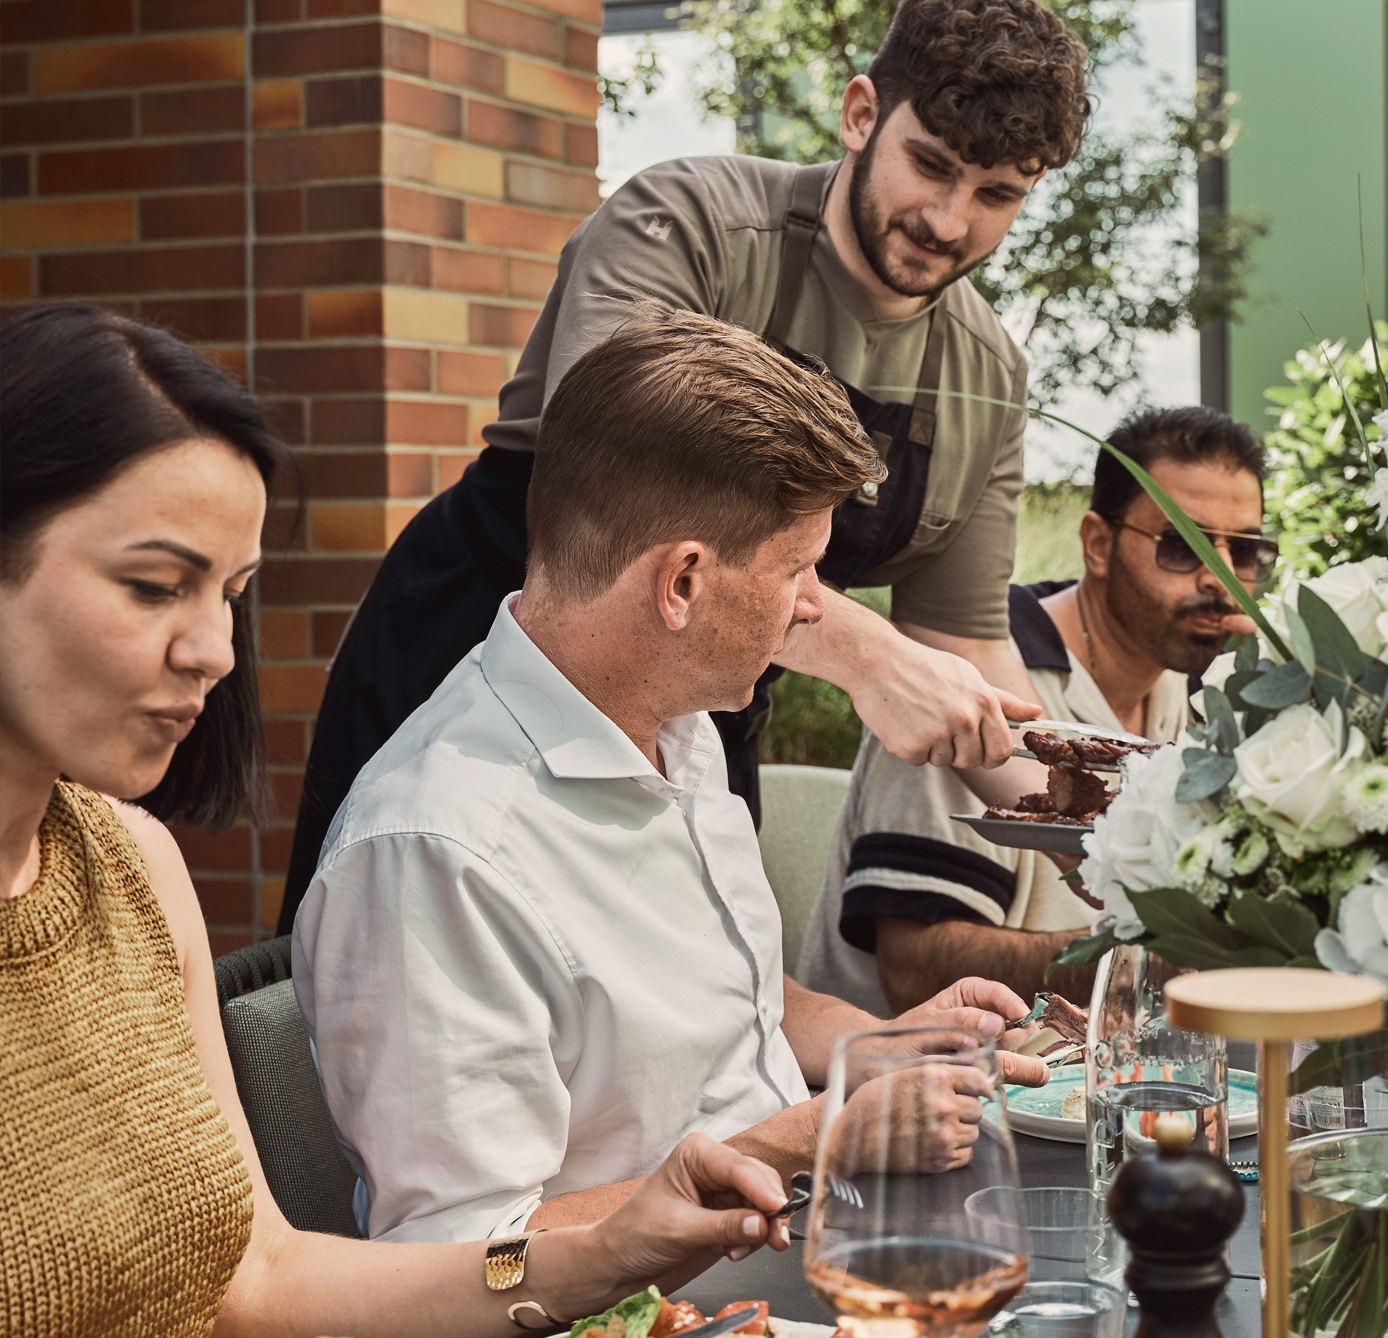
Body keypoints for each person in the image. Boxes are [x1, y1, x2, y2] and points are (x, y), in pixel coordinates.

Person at [0, 305, 795, 1338]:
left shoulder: (134, 868)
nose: (214, 652)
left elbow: (264, 1283)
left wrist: (604, 1251)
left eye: (231, 596)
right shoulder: (439, 827)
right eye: (155, 587)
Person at [277, 0, 1094, 933]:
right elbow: (626, 498)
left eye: (997, 195)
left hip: (699, 720)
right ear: (862, 113)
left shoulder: (987, 373)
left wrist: (1094, 826)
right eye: (931, 166)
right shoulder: (688, 225)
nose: (950, 221)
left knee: (702, 1021)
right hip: (479, 668)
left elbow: (966, 648)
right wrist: (866, 652)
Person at [293, 303, 1048, 1246]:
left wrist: (873, 1049)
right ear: (682, 583)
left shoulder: (678, 728)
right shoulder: (437, 852)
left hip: (795, 1255)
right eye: (799, 571)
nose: (816, 608)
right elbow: (464, 1258)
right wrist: (821, 1138)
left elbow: (734, 1006)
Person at [797, 406, 1272, 1016]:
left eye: (1248, 551)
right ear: (1097, 544)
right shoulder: (970, 685)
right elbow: (913, 969)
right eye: (1183, 546)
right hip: (918, 1085)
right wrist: (1150, 959)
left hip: (1081, 1083)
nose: (1223, 578)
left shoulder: (1187, 691)